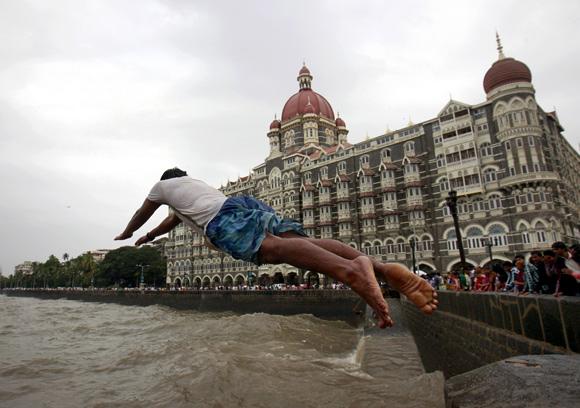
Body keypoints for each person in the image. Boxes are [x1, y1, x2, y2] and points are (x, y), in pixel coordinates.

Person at [115, 168, 438, 328]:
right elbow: (169, 223)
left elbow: (145, 212)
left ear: (164, 182)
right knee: (299, 243)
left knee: (270, 251)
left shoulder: (162, 187)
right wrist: (148, 239)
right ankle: (379, 267)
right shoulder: (196, 188)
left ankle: (351, 271)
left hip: (222, 220)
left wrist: (129, 232)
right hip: (242, 204)